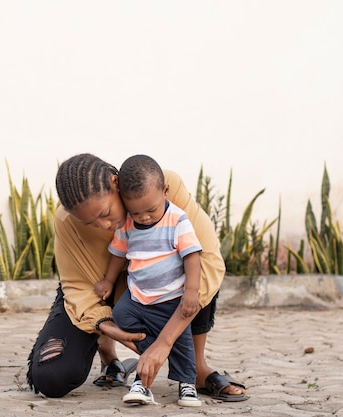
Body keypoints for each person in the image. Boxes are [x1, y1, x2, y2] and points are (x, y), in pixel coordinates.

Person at [26, 152, 248, 403]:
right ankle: (108, 355)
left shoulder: (162, 187)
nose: (105, 225)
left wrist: (164, 342)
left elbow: (207, 258)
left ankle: (196, 368)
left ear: (115, 183)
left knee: (194, 273)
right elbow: (75, 285)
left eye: (106, 212)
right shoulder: (66, 222)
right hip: (100, 291)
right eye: (92, 223)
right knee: (51, 377)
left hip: (162, 289)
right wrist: (106, 326)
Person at [94, 154, 202, 407]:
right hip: (138, 296)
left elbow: (192, 256)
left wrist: (191, 291)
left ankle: (187, 384)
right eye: (136, 212)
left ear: (165, 191)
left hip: (170, 298)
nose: (143, 217)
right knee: (121, 315)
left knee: (182, 341)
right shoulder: (128, 224)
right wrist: (109, 281)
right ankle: (147, 370)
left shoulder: (177, 220)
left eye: (151, 210)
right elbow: (119, 255)